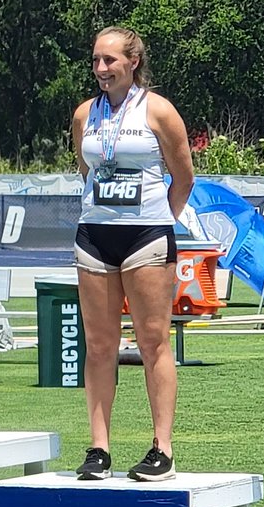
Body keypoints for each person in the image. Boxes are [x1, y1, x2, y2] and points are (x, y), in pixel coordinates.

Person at [70, 26, 193, 481]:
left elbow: (183, 177)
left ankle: (162, 448)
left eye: (110, 60)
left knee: (152, 342)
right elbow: (87, 169)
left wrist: (161, 220)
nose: (102, 69)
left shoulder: (158, 111)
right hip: (94, 235)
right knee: (99, 345)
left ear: (133, 62)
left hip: (146, 235)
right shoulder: (86, 114)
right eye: (96, 60)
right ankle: (99, 449)